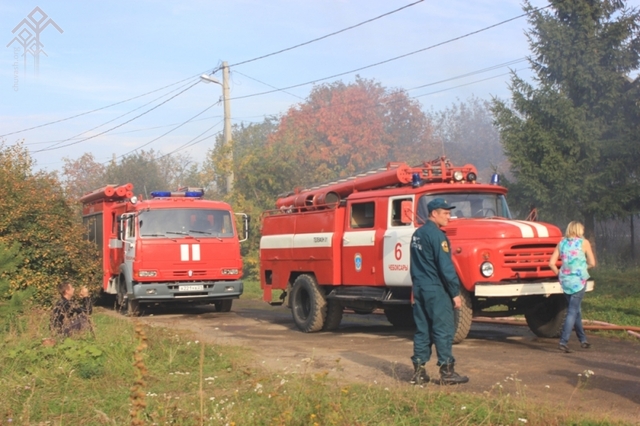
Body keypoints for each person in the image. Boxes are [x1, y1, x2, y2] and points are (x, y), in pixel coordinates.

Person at [409, 198, 469, 385]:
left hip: (420, 288)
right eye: (445, 213)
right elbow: (445, 267)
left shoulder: (417, 234)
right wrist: (454, 292)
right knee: (443, 330)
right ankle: (447, 373)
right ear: (434, 213)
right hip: (436, 289)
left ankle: (419, 373)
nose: (449, 217)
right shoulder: (438, 236)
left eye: (449, 213)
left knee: (422, 330)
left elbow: (414, 265)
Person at [549, 221, 596, 353]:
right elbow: (592, 263)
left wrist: (560, 274)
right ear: (578, 230)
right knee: (572, 311)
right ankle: (563, 341)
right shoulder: (583, 243)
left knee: (576, 311)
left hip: (565, 281)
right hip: (578, 281)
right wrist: (582, 268)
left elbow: (551, 263)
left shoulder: (561, 243)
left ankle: (583, 340)